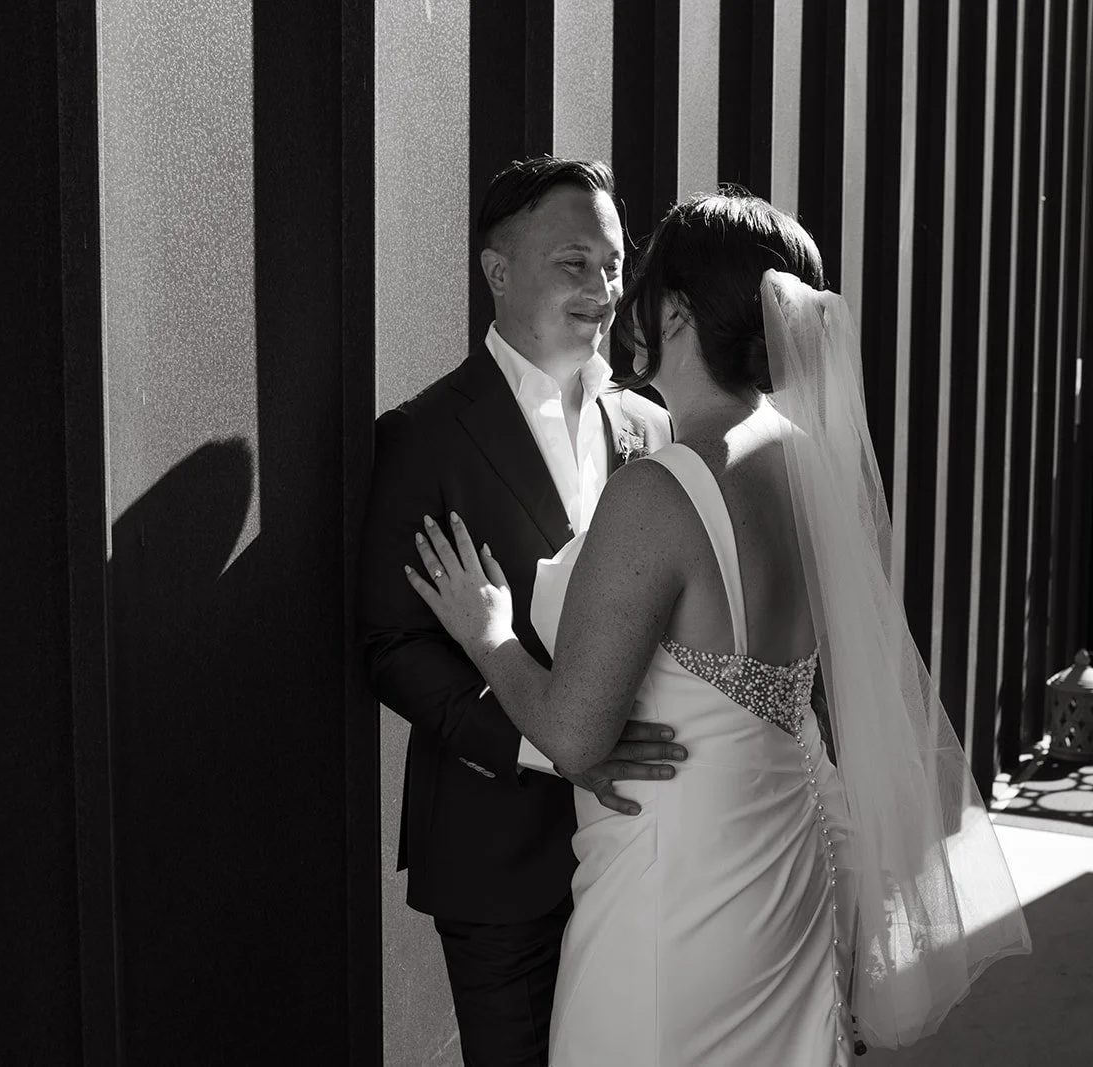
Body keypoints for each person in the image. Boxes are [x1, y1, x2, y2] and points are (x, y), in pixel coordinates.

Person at [407, 192, 1032, 1064]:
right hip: (782, 871)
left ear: (676, 310)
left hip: (676, 901)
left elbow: (573, 734)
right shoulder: (807, 464)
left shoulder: (659, 490)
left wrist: (490, 635)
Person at [356, 156, 676, 1066]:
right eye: (576, 263)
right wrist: (551, 742)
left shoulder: (648, 429)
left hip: (640, 842)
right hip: (496, 855)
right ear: (498, 271)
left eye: (615, 266)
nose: (606, 288)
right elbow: (390, 644)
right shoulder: (422, 437)